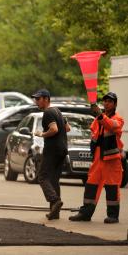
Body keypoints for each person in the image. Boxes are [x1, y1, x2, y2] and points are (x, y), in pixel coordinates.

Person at [69, 92, 124, 224]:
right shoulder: (98, 119)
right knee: (91, 185)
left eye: (110, 101)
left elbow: (111, 125)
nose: (106, 103)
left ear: (115, 104)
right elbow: (94, 134)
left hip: (111, 158)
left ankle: (113, 216)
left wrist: (100, 114)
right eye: (105, 101)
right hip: (99, 157)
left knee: (112, 187)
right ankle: (85, 213)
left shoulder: (118, 119)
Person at [32, 89, 70, 220]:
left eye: (38, 99)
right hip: (63, 149)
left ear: (46, 99)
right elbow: (67, 128)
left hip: (52, 149)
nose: (36, 101)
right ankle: (55, 212)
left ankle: (55, 200)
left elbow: (54, 129)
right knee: (53, 180)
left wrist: (42, 134)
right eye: (35, 99)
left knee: (42, 177)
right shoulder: (57, 111)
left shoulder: (48, 112)